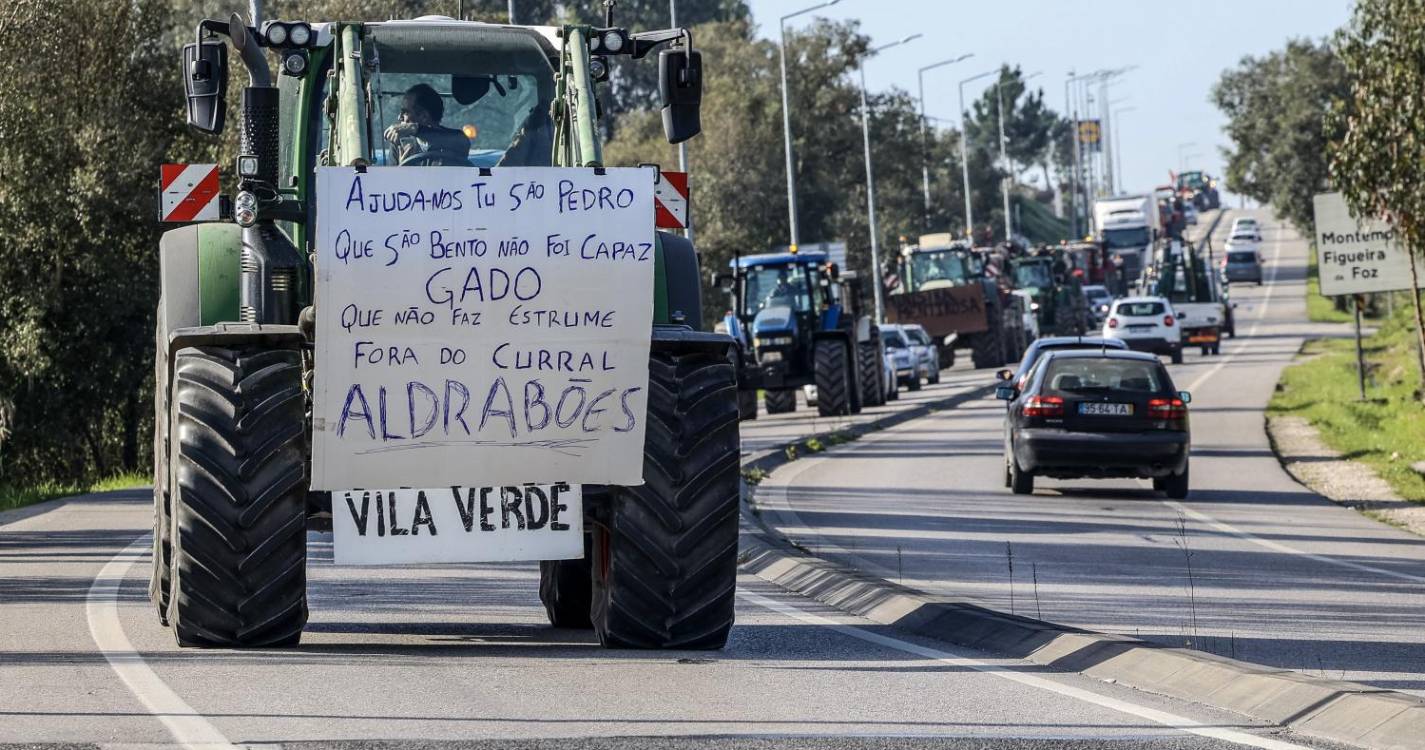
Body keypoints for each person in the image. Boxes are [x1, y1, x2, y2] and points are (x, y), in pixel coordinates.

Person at [383, 83, 471, 166]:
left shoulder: (456, 141)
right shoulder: (399, 145)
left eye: (405, 112)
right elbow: (390, 180)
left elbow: (462, 141)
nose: (399, 117)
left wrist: (417, 129)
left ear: (424, 116)